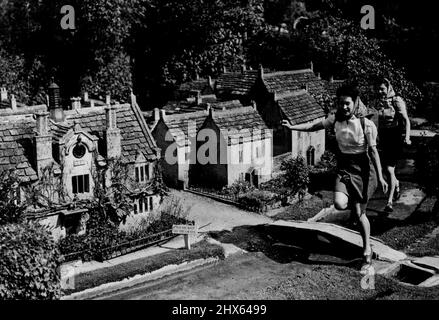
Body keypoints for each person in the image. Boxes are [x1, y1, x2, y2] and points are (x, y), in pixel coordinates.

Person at [282, 85, 388, 272]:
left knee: (358, 213)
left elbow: (373, 152)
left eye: (347, 103)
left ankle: (366, 251)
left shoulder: (366, 125)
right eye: (341, 103)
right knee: (339, 204)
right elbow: (313, 126)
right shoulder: (334, 119)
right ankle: (354, 209)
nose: (344, 107)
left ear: (355, 103)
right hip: (344, 168)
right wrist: (292, 127)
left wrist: (381, 177)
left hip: (363, 170)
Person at [374, 78, 411, 212]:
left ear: (388, 88)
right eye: (378, 89)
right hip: (383, 137)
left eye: (382, 89)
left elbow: (406, 120)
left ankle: (389, 202)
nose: (380, 91)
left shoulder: (396, 100)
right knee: (386, 169)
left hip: (394, 137)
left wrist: (407, 137)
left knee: (389, 169)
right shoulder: (380, 102)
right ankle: (396, 184)